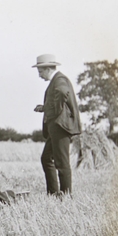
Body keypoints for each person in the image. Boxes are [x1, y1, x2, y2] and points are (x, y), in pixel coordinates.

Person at [33, 54, 82, 195]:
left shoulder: (59, 79)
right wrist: (45, 107)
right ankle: (54, 193)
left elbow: (62, 92)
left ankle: (66, 196)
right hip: (57, 127)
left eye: (40, 71)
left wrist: (55, 112)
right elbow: (59, 97)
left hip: (60, 127)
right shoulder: (57, 80)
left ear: (48, 68)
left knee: (61, 162)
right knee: (46, 158)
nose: (40, 75)